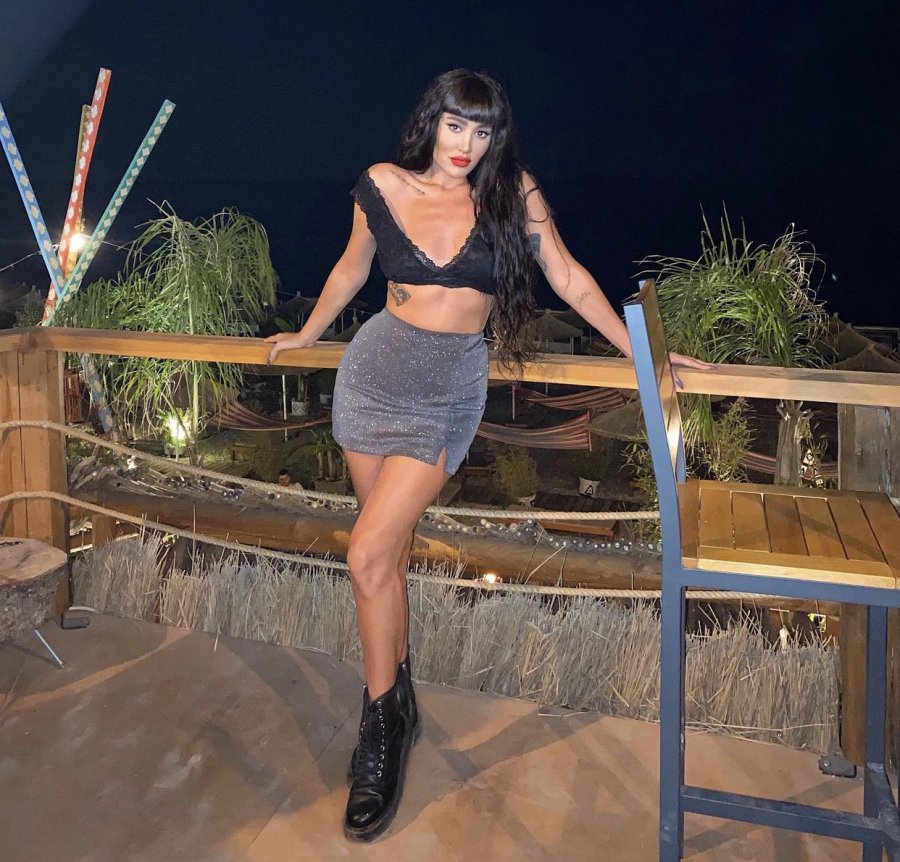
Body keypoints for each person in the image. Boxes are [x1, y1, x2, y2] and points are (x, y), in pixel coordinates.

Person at [265, 68, 709, 842]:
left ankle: (378, 733)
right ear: (431, 121)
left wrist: (645, 356)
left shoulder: (512, 195)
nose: (467, 143)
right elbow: (352, 267)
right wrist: (306, 335)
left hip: (447, 389)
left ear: (497, 136)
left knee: (365, 553)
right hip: (373, 377)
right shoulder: (382, 184)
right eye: (455, 125)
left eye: (483, 129)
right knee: (385, 557)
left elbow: (568, 277)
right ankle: (397, 700)